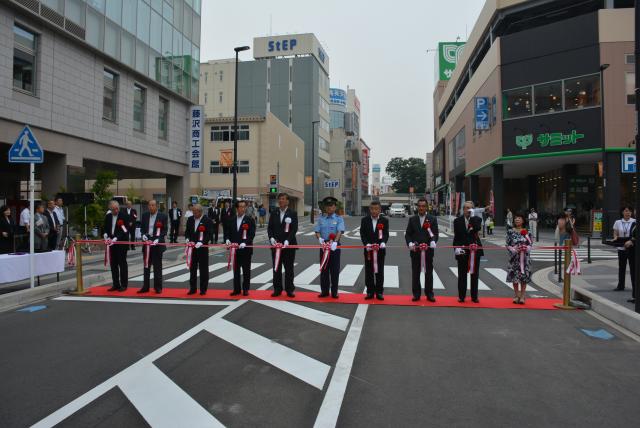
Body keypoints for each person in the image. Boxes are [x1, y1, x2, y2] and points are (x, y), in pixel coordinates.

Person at [405, 198, 439, 302]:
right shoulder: (412, 219)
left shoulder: (432, 219)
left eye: (423, 206)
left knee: (428, 273)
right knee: (415, 273)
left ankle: (429, 294)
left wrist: (433, 241)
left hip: (428, 250)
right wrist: (410, 243)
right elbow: (408, 234)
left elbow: (435, 233)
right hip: (415, 250)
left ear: (427, 207)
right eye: (419, 206)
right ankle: (416, 294)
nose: (421, 208)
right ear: (417, 207)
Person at [452, 202, 484, 303]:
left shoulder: (477, 219)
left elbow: (477, 228)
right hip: (462, 250)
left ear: (473, 209)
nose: (468, 210)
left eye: (470, 208)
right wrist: (456, 248)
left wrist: (473, 216)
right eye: (466, 208)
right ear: (463, 209)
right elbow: (456, 237)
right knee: (462, 275)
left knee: (474, 274)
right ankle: (461, 296)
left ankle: (474, 297)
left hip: (475, 250)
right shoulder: (457, 221)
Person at [267, 193, 298, 298]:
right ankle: (277, 289)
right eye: (279, 199)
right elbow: (270, 227)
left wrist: (288, 240)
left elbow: (294, 229)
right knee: (276, 268)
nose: (281, 201)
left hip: (288, 246)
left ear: (287, 201)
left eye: (283, 199)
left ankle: (289, 289)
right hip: (276, 245)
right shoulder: (274, 212)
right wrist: (271, 238)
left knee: (289, 268)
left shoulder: (292, 213)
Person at [314, 197, 345, 298]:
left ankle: (334, 291)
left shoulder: (339, 218)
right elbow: (317, 231)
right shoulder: (321, 219)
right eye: (327, 206)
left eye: (331, 205)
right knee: (324, 269)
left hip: (334, 246)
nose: (329, 208)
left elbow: (340, 231)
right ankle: (324, 291)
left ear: (335, 207)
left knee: (334, 269)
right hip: (324, 245)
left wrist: (335, 242)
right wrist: (320, 239)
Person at [225, 200, 256, 296]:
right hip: (235, 250)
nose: (243, 208)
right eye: (241, 206)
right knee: (236, 270)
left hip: (246, 249)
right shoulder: (231, 219)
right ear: (237, 208)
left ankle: (245, 289)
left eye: (244, 207)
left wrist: (245, 243)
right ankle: (236, 289)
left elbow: (252, 234)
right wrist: (227, 240)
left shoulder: (249, 220)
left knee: (246, 270)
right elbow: (227, 232)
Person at [361, 201, 389, 300]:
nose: (374, 211)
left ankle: (379, 292)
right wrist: (366, 244)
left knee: (379, 271)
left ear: (380, 210)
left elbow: (385, 234)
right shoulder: (364, 220)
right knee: (369, 271)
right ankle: (370, 292)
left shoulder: (384, 220)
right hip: (368, 250)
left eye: (376, 209)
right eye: (372, 209)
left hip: (380, 250)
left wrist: (383, 242)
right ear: (369, 209)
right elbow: (362, 234)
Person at [139, 200, 168, 294]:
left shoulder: (162, 216)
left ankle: (158, 287)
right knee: (146, 266)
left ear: (156, 206)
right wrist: (143, 234)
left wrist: (158, 239)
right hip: (147, 242)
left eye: (153, 205)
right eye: (149, 205)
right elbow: (142, 228)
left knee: (157, 266)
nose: (151, 207)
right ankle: (145, 286)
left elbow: (164, 230)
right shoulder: (145, 215)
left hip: (157, 243)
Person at [185, 204, 213, 295]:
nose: (194, 213)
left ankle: (203, 289)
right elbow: (187, 232)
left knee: (203, 269)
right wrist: (187, 239)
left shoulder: (207, 220)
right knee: (192, 269)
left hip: (202, 248)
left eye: (195, 212)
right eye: (193, 211)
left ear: (200, 212)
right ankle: (192, 288)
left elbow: (209, 234)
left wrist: (202, 242)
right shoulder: (190, 220)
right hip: (192, 248)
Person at [506, 213, 533, 304]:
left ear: (523, 220)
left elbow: (530, 244)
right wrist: (513, 249)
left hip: (525, 258)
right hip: (514, 257)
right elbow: (507, 244)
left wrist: (526, 248)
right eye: (516, 218)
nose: (517, 220)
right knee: (515, 276)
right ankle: (516, 295)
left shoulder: (527, 231)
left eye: (519, 218)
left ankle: (522, 296)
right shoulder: (510, 231)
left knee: (523, 276)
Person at [103, 200, 130, 291]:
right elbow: (105, 228)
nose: (116, 210)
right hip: (111, 244)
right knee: (113, 264)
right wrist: (105, 234)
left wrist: (116, 238)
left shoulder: (124, 216)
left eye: (117, 208)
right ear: (110, 209)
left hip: (121, 243)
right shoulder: (108, 216)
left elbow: (125, 230)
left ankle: (124, 284)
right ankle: (116, 284)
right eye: (113, 209)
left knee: (122, 264)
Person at [613, 206, 636, 293]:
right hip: (621, 247)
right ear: (622, 212)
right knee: (621, 267)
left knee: (633, 268)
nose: (628, 213)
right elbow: (615, 233)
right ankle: (621, 285)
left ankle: (634, 287)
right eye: (626, 211)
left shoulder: (635, 221)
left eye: (630, 211)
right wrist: (615, 238)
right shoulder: (618, 222)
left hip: (631, 247)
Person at [624, 220, 637, 304]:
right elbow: (631, 236)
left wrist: (632, 242)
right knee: (633, 274)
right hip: (632, 252)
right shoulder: (634, 223)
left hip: (636, 251)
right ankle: (634, 296)